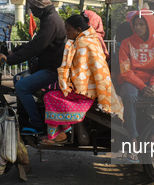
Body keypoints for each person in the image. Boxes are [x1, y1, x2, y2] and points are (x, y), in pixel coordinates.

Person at [41, 14, 122, 144]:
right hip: (90, 88)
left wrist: (57, 84)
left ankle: (61, 134)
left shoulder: (82, 44)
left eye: (68, 30)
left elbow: (78, 74)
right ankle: (64, 132)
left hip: (84, 92)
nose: (66, 33)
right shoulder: (91, 39)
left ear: (78, 30)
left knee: (49, 96)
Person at [0, 0, 67, 134]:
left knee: (22, 86)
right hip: (48, 67)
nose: (31, 9)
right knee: (18, 79)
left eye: (31, 6)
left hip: (53, 70)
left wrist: (10, 59)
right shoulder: (48, 18)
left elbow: (37, 47)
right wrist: (14, 52)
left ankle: (37, 124)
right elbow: (35, 42)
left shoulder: (51, 21)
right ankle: (23, 121)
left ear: (37, 5)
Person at [118, 11, 154, 161]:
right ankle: (133, 139)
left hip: (151, 83)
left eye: (141, 24)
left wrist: (153, 85)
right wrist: (142, 86)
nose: (137, 27)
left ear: (149, 25)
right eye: (135, 24)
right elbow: (126, 72)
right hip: (131, 81)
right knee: (129, 95)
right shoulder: (126, 43)